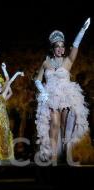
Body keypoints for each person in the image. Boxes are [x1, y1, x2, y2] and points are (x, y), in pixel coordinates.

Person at [35, 18, 92, 163]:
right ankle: (54, 158)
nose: (60, 49)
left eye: (62, 46)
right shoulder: (46, 62)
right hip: (51, 97)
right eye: (57, 46)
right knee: (54, 124)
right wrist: (44, 91)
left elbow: (75, 45)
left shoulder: (68, 61)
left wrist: (82, 31)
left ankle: (67, 155)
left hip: (66, 96)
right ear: (52, 48)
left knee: (65, 126)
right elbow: (37, 79)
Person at [0, 71, 24, 162]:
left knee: (4, 138)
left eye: (0, 87)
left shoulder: (3, 95)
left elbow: (9, 82)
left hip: (4, 120)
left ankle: (4, 157)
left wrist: (17, 73)